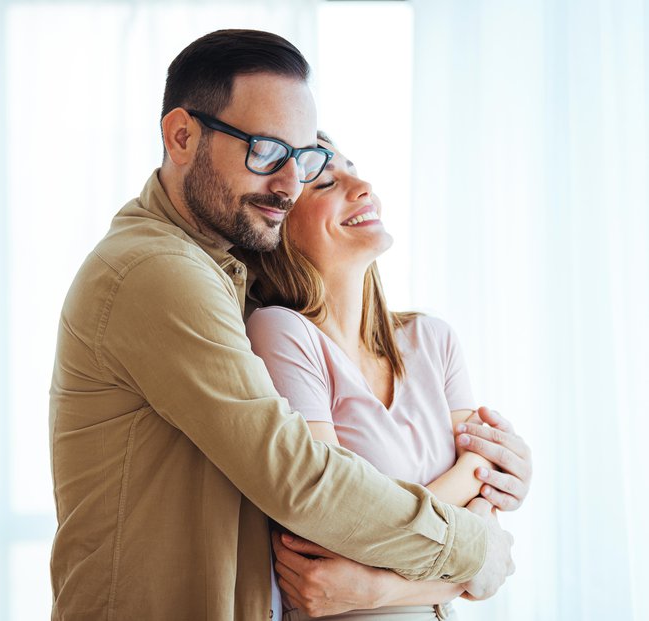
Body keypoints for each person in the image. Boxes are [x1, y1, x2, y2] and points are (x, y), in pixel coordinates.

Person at [49, 29, 529, 621]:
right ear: (181, 136)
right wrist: (468, 547)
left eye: (302, 159)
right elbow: (302, 480)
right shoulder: (159, 271)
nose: (289, 184)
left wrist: (502, 473)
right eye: (266, 151)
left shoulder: (224, 272)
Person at [245, 136, 532, 620]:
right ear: (282, 228)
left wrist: (375, 588)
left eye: (354, 169)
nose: (363, 186)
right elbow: (331, 520)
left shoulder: (433, 339)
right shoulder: (281, 332)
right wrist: (464, 552)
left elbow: (489, 543)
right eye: (328, 183)